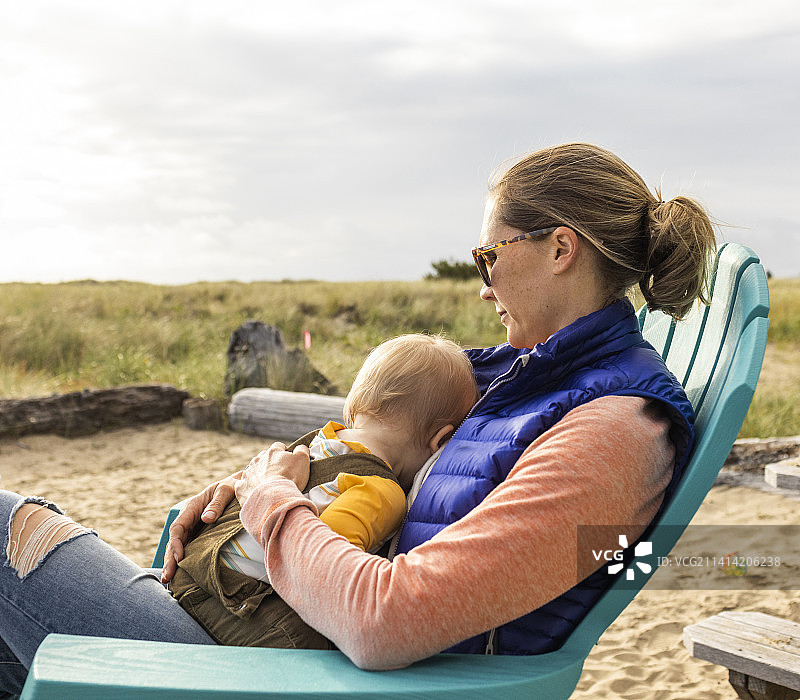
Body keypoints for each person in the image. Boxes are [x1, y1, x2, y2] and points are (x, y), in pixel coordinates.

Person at [0, 142, 715, 694]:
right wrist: (241, 487)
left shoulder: (616, 432)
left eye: (487, 256)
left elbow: (388, 620)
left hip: (294, 675)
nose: (482, 286)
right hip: (275, 640)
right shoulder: (516, 376)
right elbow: (372, 437)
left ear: (561, 248)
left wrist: (272, 506)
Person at [165, 333, 478, 649]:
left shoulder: (320, 441)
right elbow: (321, 574)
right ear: (441, 440)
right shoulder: (381, 491)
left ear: (356, 405)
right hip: (238, 607)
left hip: (190, 566)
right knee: (314, 642)